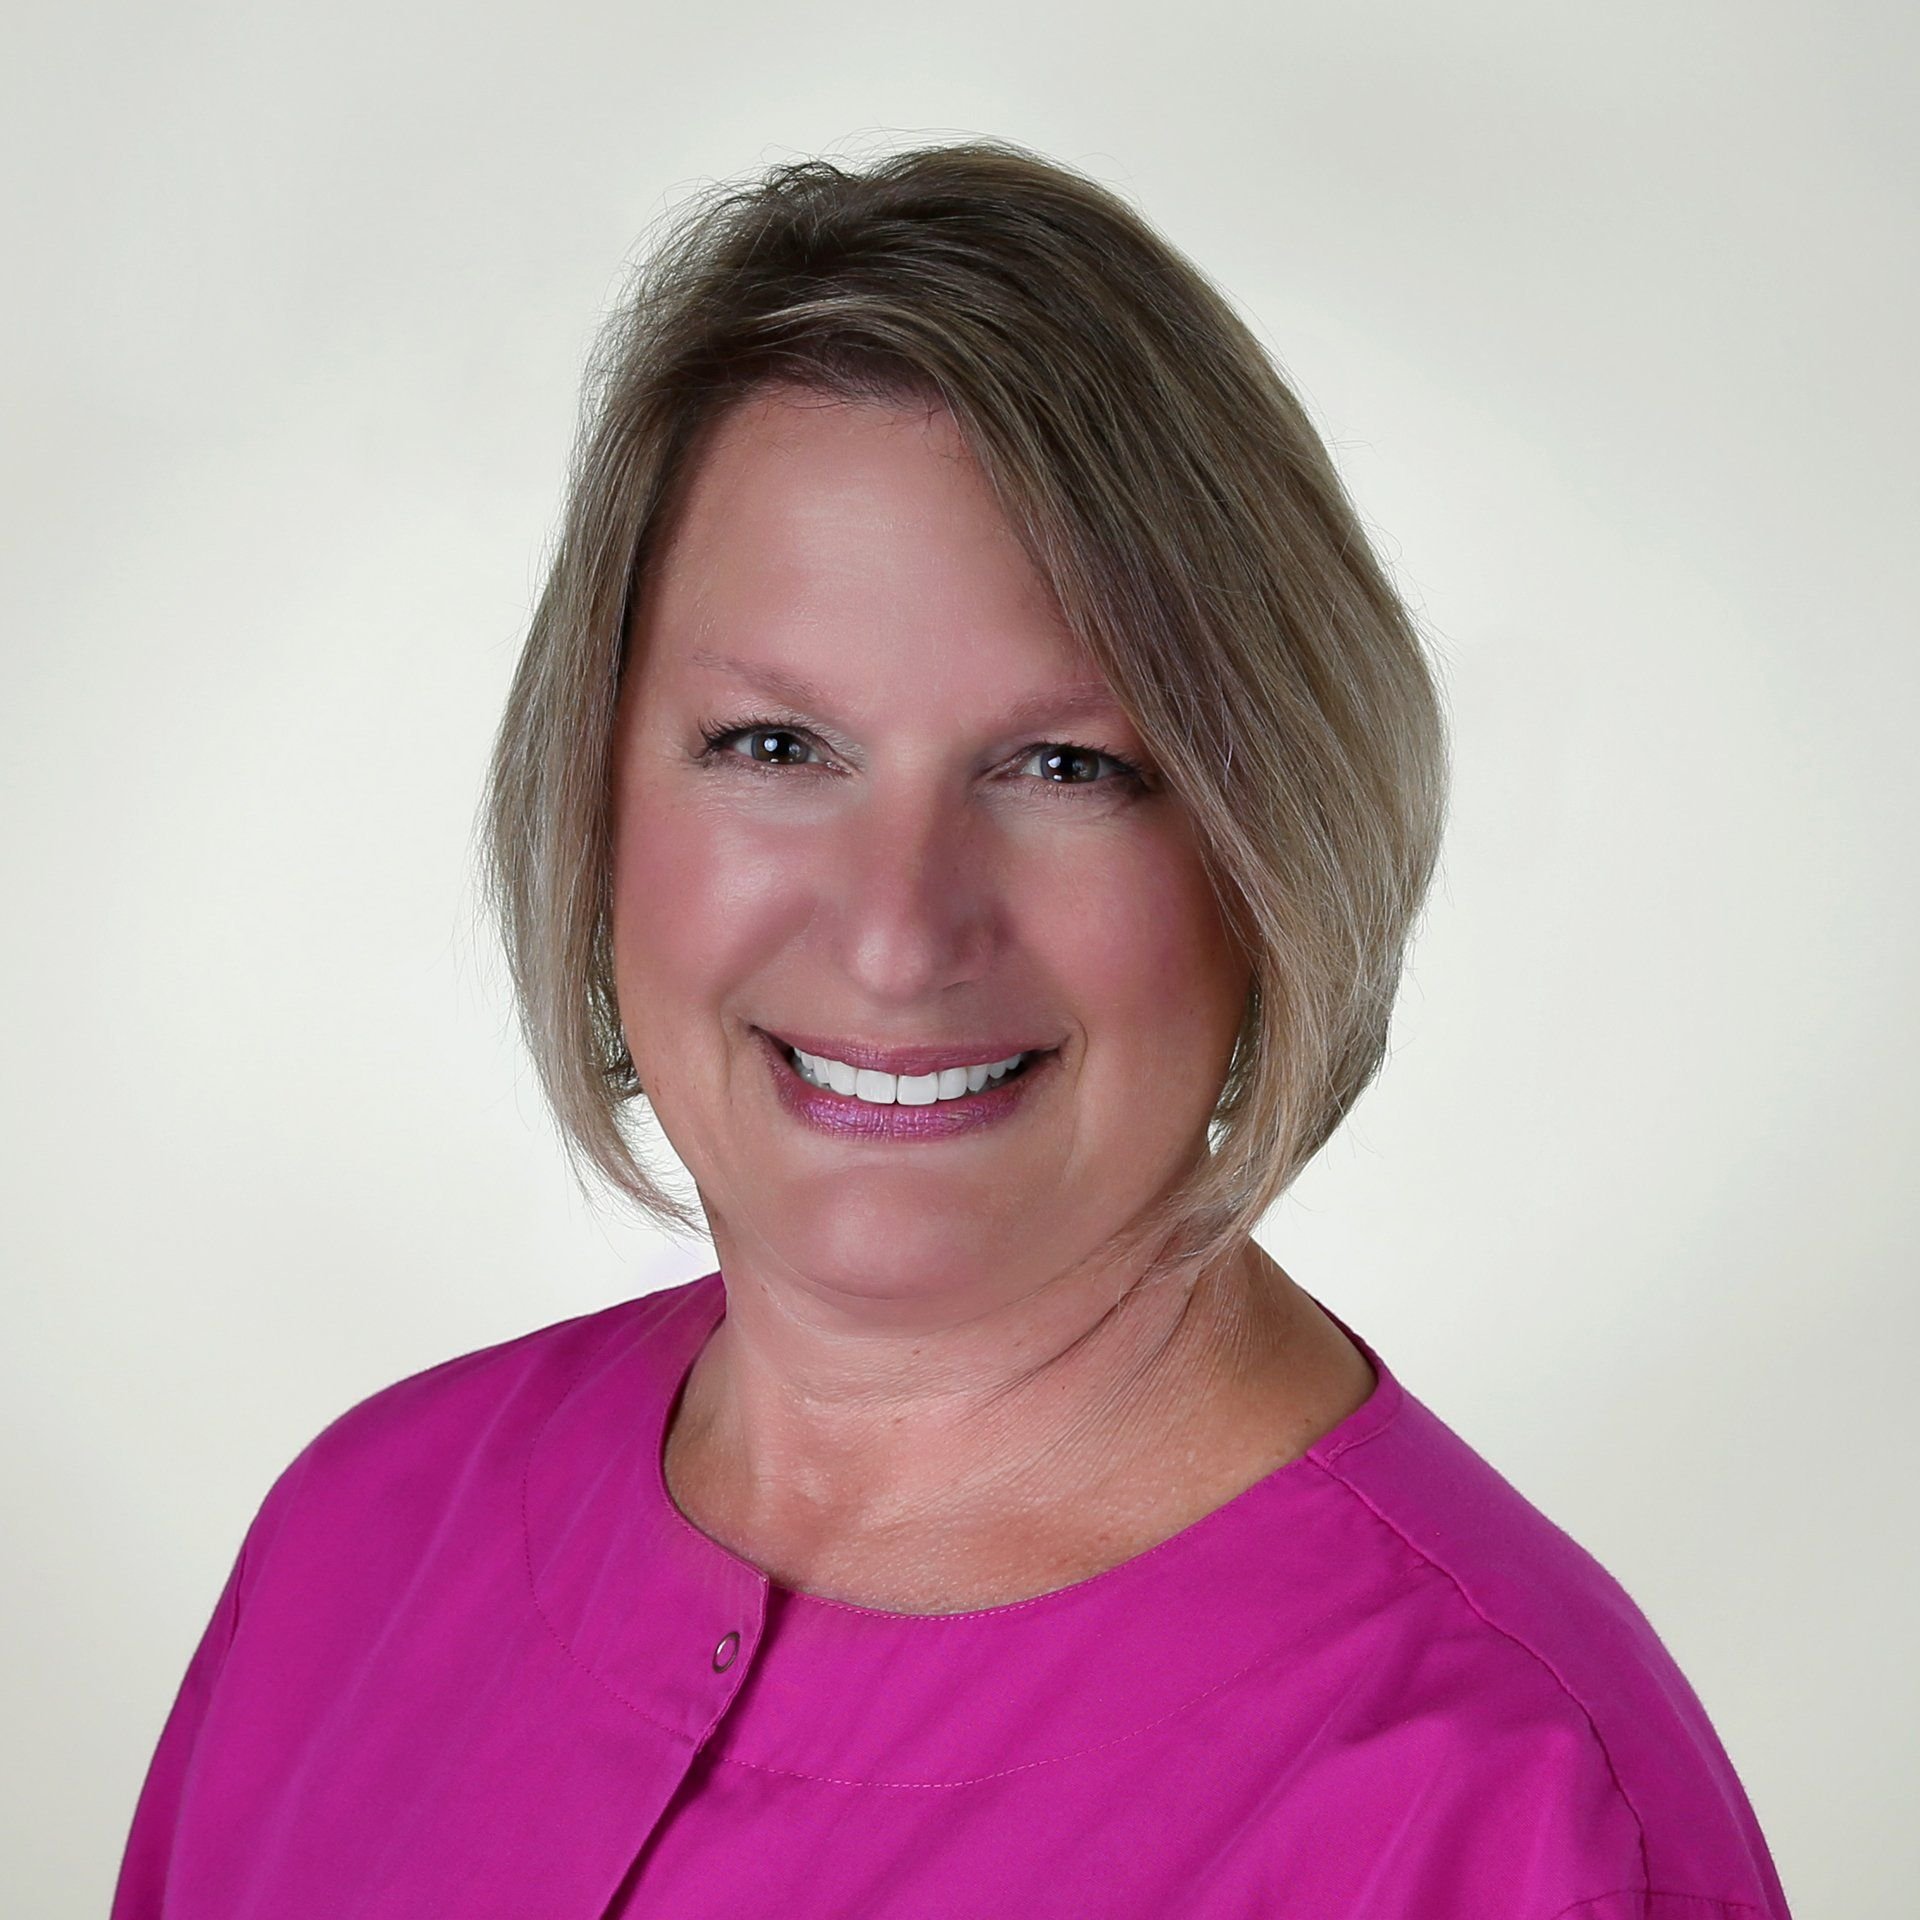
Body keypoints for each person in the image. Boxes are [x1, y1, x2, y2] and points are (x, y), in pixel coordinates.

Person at [110, 139, 1795, 1919]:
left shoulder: (1505, 1818)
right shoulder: (359, 1542)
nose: (902, 931)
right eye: (775, 746)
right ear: (597, 797)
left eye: (1068, 766)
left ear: (1266, 839)